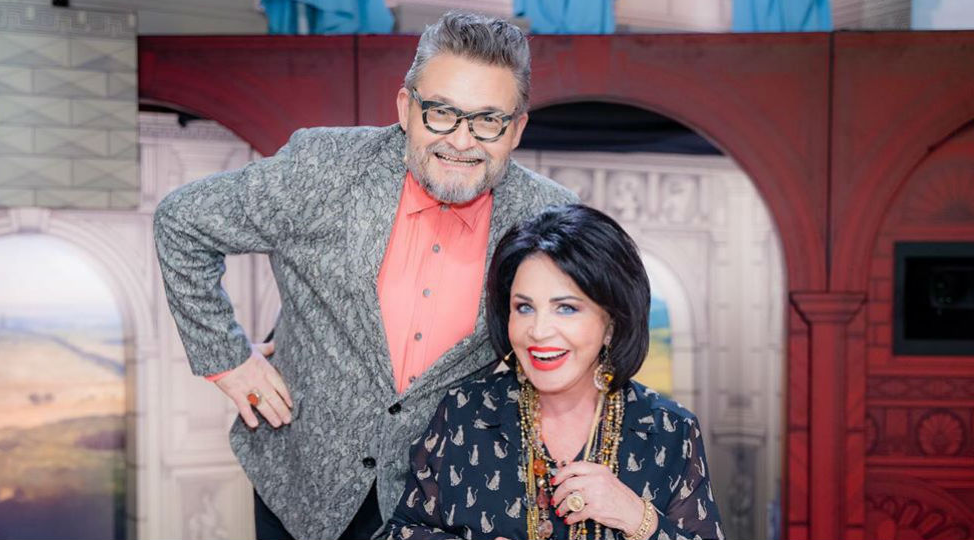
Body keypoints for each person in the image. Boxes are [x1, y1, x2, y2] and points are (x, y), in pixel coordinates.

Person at [153, 11, 577, 540]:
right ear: (406, 108)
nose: (461, 140)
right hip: (300, 482)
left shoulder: (550, 216)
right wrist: (227, 359)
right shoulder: (324, 168)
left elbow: (582, 337)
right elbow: (181, 222)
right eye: (441, 113)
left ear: (516, 130)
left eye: (487, 120)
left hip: (443, 501)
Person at [386, 204, 723, 540]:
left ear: (611, 325)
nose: (538, 330)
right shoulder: (464, 413)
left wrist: (637, 517)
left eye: (566, 308)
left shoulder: (670, 431)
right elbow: (400, 532)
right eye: (524, 307)